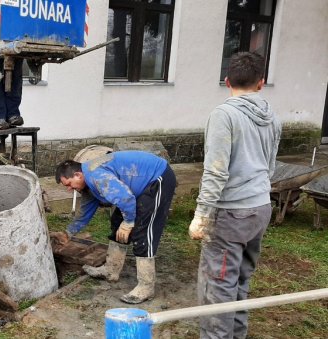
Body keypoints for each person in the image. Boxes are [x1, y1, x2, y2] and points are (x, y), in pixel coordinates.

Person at [189, 52, 281, 339]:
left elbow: (216, 171)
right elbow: (271, 166)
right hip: (260, 208)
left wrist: (202, 216)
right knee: (241, 279)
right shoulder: (273, 118)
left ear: (226, 81)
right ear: (261, 83)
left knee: (218, 286)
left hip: (231, 214)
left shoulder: (224, 115)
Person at [52, 151, 176, 304]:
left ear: (78, 175)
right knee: (117, 221)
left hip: (158, 178)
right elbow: (85, 213)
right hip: (139, 185)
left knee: (144, 230)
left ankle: (146, 286)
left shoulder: (97, 176)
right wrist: (68, 233)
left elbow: (125, 198)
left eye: (69, 184)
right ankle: (111, 270)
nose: (69, 189)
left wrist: (129, 222)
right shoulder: (88, 182)